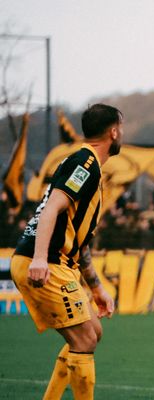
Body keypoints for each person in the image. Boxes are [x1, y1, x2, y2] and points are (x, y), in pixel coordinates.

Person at [11, 104, 121, 400]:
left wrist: (97, 288)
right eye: (119, 128)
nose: (120, 133)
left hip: (59, 262)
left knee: (92, 332)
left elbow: (80, 243)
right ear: (113, 131)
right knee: (84, 337)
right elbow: (51, 208)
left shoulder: (89, 167)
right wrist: (39, 258)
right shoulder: (84, 162)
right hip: (46, 262)